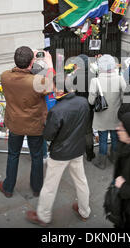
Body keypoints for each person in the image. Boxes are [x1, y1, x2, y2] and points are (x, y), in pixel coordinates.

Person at [26, 77, 91, 226]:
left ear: (60, 89)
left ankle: (43, 216)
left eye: (54, 86)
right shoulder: (83, 102)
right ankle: (84, 211)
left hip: (60, 153)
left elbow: (48, 135)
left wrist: (46, 124)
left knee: (50, 186)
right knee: (81, 181)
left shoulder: (56, 110)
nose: (53, 89)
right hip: (77, 149)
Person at [0, 46, 51, 198]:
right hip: (34, 125)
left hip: (15, 123)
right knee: (36, 156)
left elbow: (15, 70)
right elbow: (52, 86)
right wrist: (47, 63)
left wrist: (27, 63)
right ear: (31, 62)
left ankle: (8, 188)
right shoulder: (37, 81)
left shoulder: (5, 76)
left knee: (13, 155)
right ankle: (37, 188)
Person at [89, 54, 126, 169]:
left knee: (103, 139)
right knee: (115, 137)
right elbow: (125, 98)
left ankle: (102, 162)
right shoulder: (120, 78)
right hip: (116, 115)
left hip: (101, 116)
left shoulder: (95, 81)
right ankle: (114, 158)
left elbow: (90, 101)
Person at [65, 54, 96, 161]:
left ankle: (78, 152)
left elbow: (70, 91)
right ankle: (90, 154)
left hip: (78, 108)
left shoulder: (75, 77)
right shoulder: (93, 75)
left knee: (78, 130)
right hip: (90, 107)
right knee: (88, 131)